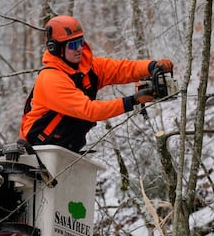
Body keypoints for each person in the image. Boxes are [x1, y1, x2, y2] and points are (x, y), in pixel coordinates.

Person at [19, 15, 173, 153]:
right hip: (38, 150)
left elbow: (121, 69)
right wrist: (132, 101)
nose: (79, 48)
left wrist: (152, 66)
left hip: (63, 150)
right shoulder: (51, 79)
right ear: (56, 48)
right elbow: (90, 110)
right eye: (72, 45)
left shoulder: (88, 67)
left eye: (80, 42)